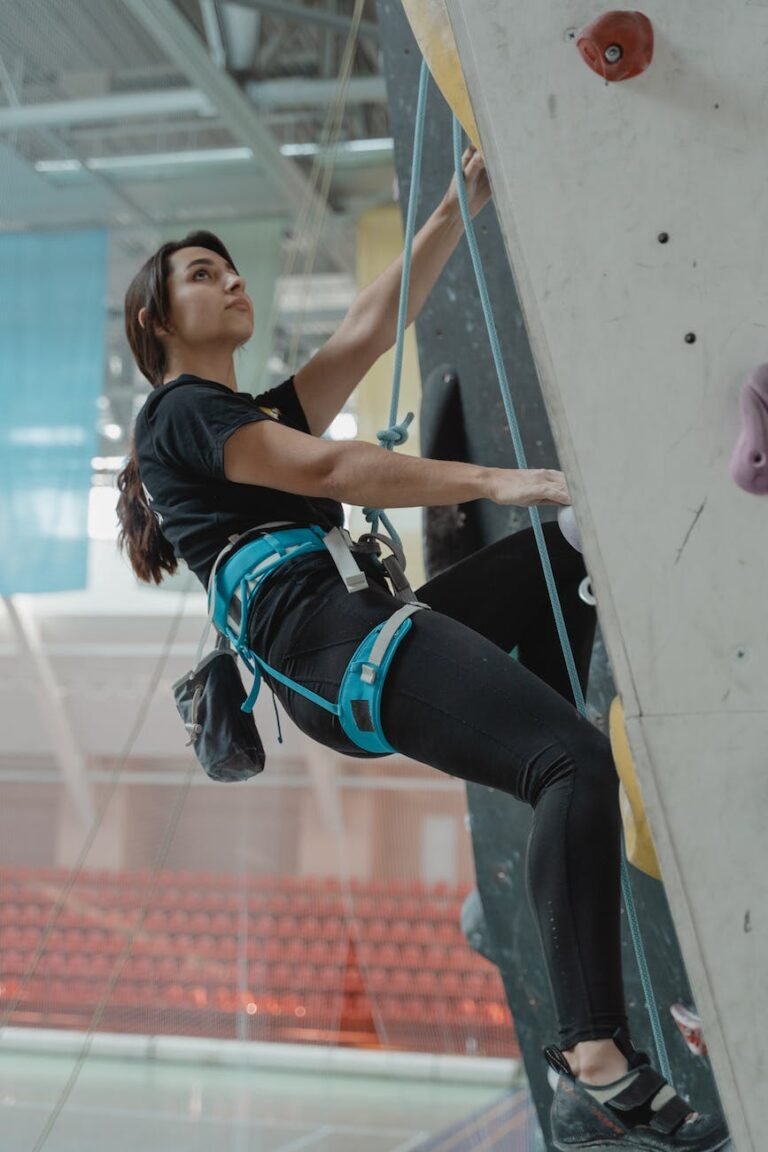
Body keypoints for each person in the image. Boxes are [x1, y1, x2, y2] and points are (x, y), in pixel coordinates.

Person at [116, 147, 727, 1152]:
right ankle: (593, 1063)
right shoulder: (177, 415)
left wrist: (455, 205)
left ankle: (556, 730)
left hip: (359, 629)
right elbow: (331, 467)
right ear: (155, 320)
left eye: (230, 267)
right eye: (201, 273)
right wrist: (499, 481)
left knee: (565, 548)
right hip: (339, 651)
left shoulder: (240, 415)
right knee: (570, 763)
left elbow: (368, 329)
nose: (230, 280)